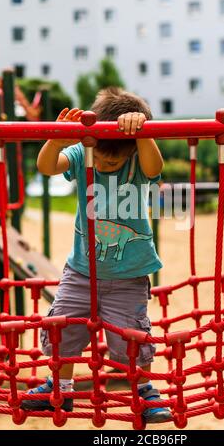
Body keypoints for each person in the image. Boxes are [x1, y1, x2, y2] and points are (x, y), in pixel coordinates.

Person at [21, 87, 171, 423]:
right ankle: (60, 386)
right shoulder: (85, 152)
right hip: (81, 271)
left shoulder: (136, 158)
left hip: (128, 276)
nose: (104, 164)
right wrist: (57, 140)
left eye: (112, 161)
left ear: (130, 149)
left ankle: (144, 391)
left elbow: (154, 166)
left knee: (131, 337)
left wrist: (143, 131)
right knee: (61, 327)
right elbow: (47, 166)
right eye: (101, 158)